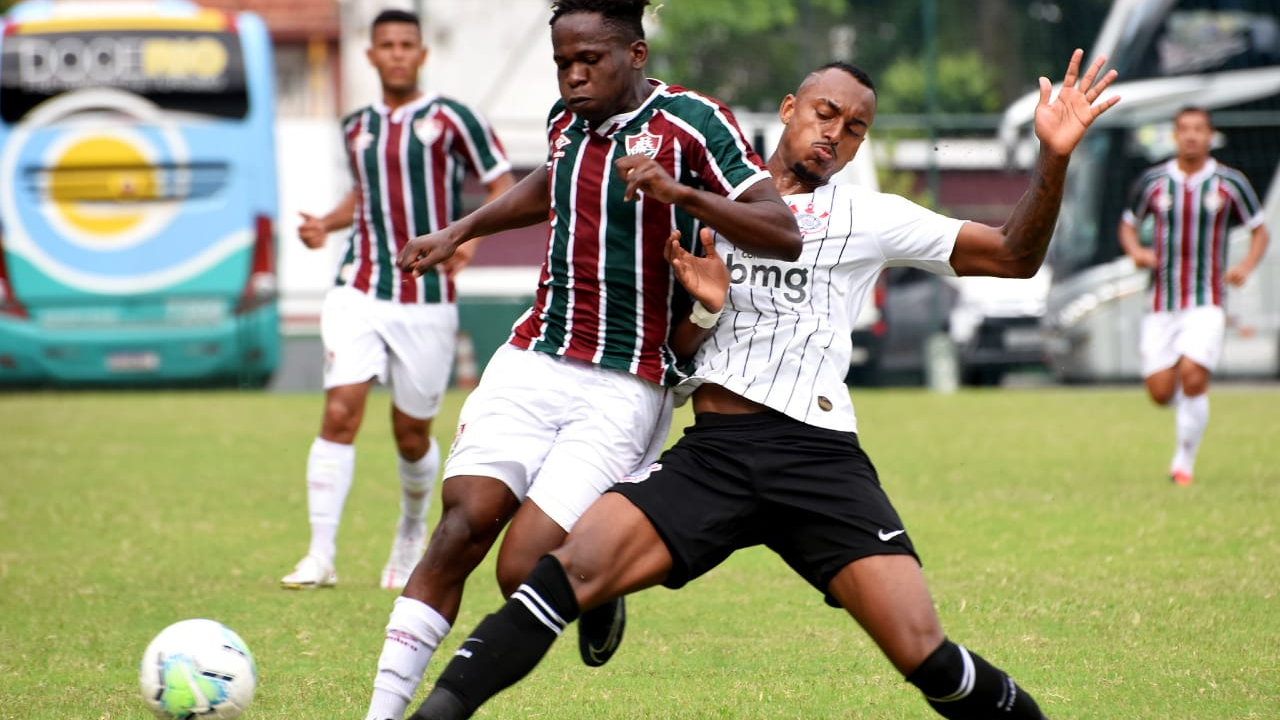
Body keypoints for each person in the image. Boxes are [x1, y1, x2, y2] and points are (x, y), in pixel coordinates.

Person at [403, 49, 1119, 720]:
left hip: (817, 458)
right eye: (825, 113)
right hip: (715, 452)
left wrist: (1053, 158)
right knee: (559, 576)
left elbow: (1015, 256)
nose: (835, 135)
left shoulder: (870, 217)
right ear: (789, 108)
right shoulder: (704, 203)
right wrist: (707, 306)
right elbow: (673, 343)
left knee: (924, 654)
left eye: (855, 128)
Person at [361, 1, 802, 719]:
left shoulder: (695, 123)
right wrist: (459, 228)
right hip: (535, 353)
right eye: (562, 62)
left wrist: (677, 190)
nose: (572, 75)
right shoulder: (566, 121)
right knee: (461, 526)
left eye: (588, 60)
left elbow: (782, 231)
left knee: (521, 570)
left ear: (635, 54)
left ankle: (602, 593)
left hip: (626, 382)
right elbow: (552, 180)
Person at [282, 8, 516, 592]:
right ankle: (319, 555)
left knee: (412, 433)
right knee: (340, 412)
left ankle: (412, 528)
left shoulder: (452, 118)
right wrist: (326, 225)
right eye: (385, 44)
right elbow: (364, 195)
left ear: (420, 53)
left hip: (427, 297)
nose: (395, 53)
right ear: (370, 55)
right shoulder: (357, 125)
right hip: (357, 286)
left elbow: (502, 186)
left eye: (406, 44)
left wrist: (471, 241)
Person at [1118, 106, 1269, 487]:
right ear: (1174, 135)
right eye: (1183, 129)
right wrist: (1136, 252)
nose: (1190, 136)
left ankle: (1183, 463)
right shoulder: (1154, 182)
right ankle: (1185, 405)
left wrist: (1246, 267)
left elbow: (1259, 230)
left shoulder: (1229, 183)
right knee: (1159, 392)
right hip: (1161, 303)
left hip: (1207, 298)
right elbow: (1128, 226)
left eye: (1198, 130)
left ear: (1209, 136)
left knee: (1193, 375)